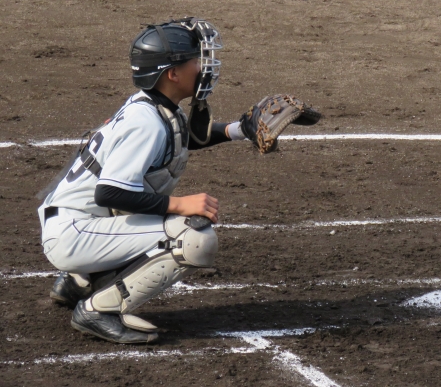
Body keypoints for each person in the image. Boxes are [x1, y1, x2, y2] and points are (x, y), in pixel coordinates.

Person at [38, 17, 320, 344]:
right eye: (196, 60)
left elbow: (180, 139)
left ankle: (80, 280)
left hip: (78, 224)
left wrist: (240, 130)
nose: (204, 67)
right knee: (193, 237)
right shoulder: (146, 123)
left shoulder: (152, 106)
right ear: (172, 73)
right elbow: (110, 193)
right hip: (75, 233)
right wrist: (179, 204)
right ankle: (99, 310)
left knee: (159, 215)